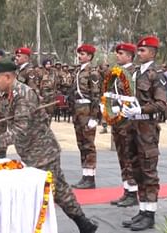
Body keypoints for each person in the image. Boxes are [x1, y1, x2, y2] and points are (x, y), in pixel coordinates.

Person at [0, 59, 98, 233]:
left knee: (52, 190)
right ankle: (83, 224)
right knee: (55, 189)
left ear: (8, 77)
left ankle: (81, 223)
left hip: (43, 152)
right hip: (30, 152)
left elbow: (20, 130)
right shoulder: (9, 94)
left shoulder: (23, 95)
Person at [121, 36, 167, 231]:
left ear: (153, 53)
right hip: (134, 127)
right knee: (137, 169)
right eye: (138, 50)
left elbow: (161, 104)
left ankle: (150, 214)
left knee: (149, 171)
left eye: (143, 51)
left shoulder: (156, 74)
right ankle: (142, 210)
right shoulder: (137, 72)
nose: (139, 54)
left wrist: (140, 110)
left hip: (147, 128)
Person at [109, 43, 139, 207]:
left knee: (129, 155)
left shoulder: (134, 73)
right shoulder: (117, 72)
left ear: (129, 56)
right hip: (118, 118)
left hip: (129, 119)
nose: (118, 56)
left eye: (121, 53)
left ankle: (133, 192)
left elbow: (134, 96)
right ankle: (127, 190)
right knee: (122, 155)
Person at [70, 44, 101, 189]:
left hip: (87, 110)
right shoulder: (78, 71)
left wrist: (94, 117)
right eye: (79, 54)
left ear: (90, 56)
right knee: (81, 144)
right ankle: (85, 175)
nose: (80, 56)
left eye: (83, 54)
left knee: (88, 144)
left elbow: (96, 95)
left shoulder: (92, 72)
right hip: (78, 110)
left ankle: (90, 177)